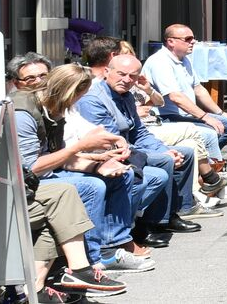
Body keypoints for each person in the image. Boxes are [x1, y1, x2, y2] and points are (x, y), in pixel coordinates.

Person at [21, 63, 162, 273]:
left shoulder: (56, 110)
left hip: (49, 171)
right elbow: (31, 167)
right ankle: (94, 257)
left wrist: (97, 165)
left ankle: (112, 245)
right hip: (27, 183)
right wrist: (82, 148)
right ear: (70, 92)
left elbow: (61, 157)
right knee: (92, 187)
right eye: (79, 96)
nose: (79, 101)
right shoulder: (25, 114)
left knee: (122, 175)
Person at [74, 54, 201, 242]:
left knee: (185, 153)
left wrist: (163, 149)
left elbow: (139, 132)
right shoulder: (93, 99)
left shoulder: (125, 96)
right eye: (121, 74)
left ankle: (172, 213)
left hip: (129, 147)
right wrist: (163, 154)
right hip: (110, 153)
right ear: (107, 72)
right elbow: (112, 142)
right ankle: (151, 221)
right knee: (164, 161)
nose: (127, 80)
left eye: (132, 76)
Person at [143, 24, 227, 164]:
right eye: (188, 39)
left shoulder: (185, 59)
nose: (193, 41)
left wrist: (219, 113)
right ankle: (210, 167)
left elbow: (198, 89)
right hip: (167, 117)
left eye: (193, 38)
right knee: (210, 131)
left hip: (186, 114)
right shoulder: (159, 62)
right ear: (171, 41)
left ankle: (208, 160)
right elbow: (175, 97)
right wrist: (205, 117)